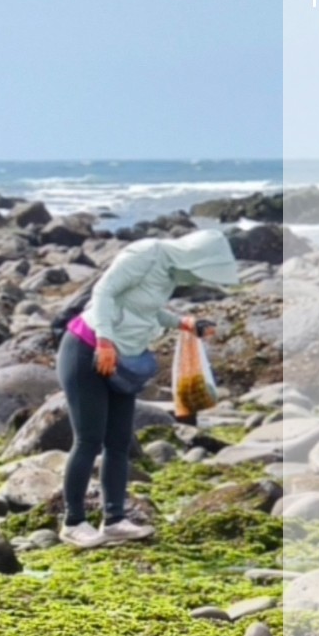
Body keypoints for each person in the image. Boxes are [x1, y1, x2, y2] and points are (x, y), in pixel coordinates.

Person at [57, 229, 240, 549]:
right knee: (88, 439)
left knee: (119, 441)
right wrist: (104, 339)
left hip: (122, 360)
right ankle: (73, 522)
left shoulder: (169, 273)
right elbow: (103, 293)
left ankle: (114, 520)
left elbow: (146, 310)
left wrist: (184, 323)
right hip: (86, 350)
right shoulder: (146, 254)